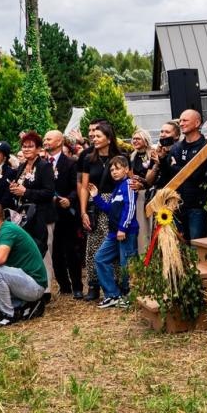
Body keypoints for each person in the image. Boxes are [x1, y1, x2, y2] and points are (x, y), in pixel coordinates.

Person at [0, 201, 49, 326]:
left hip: (34, 285)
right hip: (16, 283)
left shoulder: (7, 229)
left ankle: (8, 315)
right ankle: (24, 304)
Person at [155, 110, 207, 241]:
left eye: (185, 120)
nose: (181, 124)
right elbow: (168, 176)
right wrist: (162, 160)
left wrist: (175, 166)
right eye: (180, 120)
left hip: (197, 205)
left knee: (197, 246)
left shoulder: (206, 146)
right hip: (177, 207)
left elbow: (196, 175)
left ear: (197, 123)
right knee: (181, 248)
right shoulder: (176, 147)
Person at [77, 121, 122, 298]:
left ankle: (117, 282)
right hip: (95, 204)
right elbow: (84, 187)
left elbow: (129, 180)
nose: (94, 139)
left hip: (116, 204)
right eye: (93, 136)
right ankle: (94, 285)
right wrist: (83, 212)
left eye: (98, 136)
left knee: (114, 244)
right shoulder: (89, 159)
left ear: (109, 138)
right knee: (93, 245)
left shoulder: (121, 156)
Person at [89, 154, 139, 307]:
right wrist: (96, 197)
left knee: (127, 265)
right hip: (114, 234)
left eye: (117, 169)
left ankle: (130, 296)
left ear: (126, 169)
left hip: (126, 232)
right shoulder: (117, 188)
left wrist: (123, 228)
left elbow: (130, 207)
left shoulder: (129, 184)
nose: (114, 172)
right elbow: (109, 209)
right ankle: (112, 294)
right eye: (111, 170)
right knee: (100, 258)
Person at [42, 130, 85, 300]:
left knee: (71, 251)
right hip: (48, 213)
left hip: (66, 213)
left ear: (60, 141)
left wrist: (70, 199)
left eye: (49, 139)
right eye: (45, 139)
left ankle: (77, 287)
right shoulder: (41, 163)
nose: (46, 141)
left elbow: (77, 186)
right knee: (55, 253)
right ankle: (64, 285)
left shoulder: (71, 163)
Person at [7, 131, 55, 253]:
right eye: (24, 146)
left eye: (30, 146)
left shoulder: (44, 166)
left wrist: (25, 192)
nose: (26, 149)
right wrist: (14, 188)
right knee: (27, 252)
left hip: (42, 216)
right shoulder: (22, 166)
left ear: (38, 149)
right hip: (24, 216)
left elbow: (49, 193)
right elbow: (21, 189)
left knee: (43, 253)